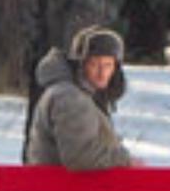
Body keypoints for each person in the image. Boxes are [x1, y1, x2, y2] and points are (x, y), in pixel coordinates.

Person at [24, 25, 140, 170]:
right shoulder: (69, 97)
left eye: (108, 65)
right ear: (80, 64)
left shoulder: (80, 95)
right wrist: (124, 159)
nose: (102, 73)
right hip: (61, 190)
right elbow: (81, 157)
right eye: (94, 64)